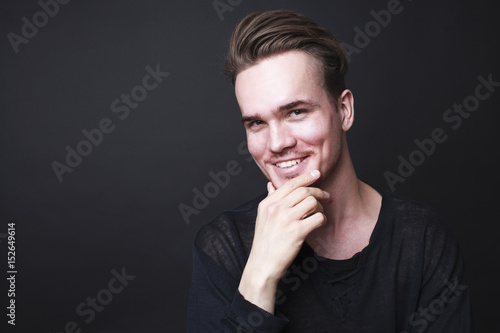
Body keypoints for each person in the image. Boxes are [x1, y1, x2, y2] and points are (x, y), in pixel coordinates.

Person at [187, 10, 473, 332]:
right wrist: (260, 277)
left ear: (344, 110)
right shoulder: (224, 246)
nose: (278, 143)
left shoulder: (422, 240)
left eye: (296, 112)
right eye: (257, 123)